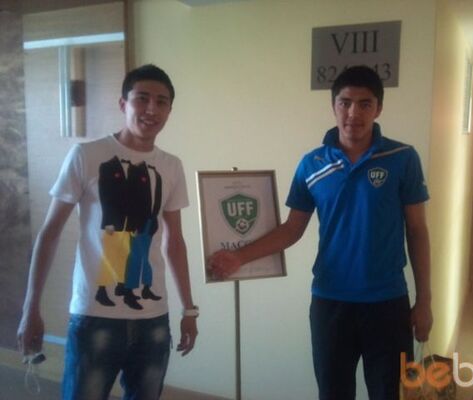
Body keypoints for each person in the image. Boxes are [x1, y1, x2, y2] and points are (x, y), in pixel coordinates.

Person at [209, 65, 432, 400]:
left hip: (387, 302)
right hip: (330, 302)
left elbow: (417, 231)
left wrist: (424, 301)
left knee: (391, 394)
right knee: (332, 393)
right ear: (333, 106)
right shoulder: (312, 164)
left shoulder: (402, 158)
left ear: (378, 109)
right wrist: (239, 257)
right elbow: (291, 229)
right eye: (345, 103)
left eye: (365, 104)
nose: (353, 113)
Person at [17, 64, 199, 400]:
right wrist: (31, 308)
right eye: (142, 99)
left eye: (161, 102)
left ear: (169, 111)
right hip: (94, 316)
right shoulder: (87, 155)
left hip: (153, 318)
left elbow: (174, 241)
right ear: (123, 104)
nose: (151, 109)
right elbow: (50, 233)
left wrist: (189, 309)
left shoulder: (171, 165)